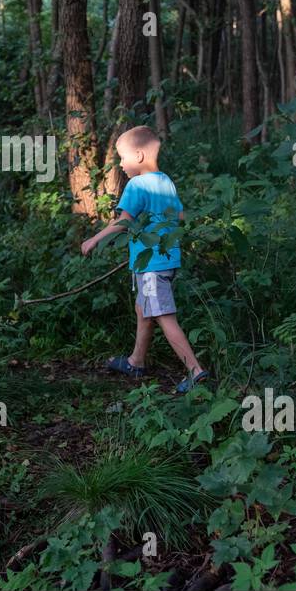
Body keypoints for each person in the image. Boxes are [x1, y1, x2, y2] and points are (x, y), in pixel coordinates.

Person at [80, 125, 209, 393]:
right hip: (167, 260)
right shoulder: (165, 181)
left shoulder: (136, 184)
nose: (121, 164)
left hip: (151, 266)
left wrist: (95, 239)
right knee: (144, 309)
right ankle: (136, 361)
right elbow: (179, 217)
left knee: (162, 315)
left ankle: (195, 370)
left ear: (138, 156)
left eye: (122, 158)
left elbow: (125, 221)